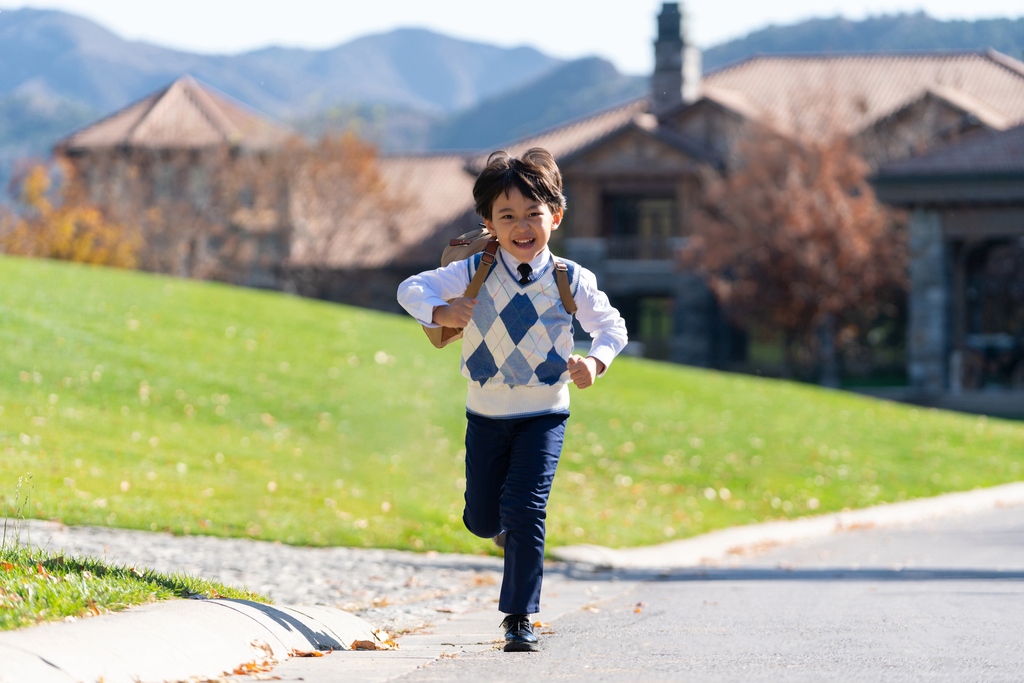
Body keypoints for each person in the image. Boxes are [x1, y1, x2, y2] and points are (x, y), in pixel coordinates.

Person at [397, 148, 627, 652]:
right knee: (482, 519)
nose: (522, 226)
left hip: (545, 414)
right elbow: (408, 289)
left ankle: (519, 618)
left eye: (533, 214)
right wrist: (443, 311)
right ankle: (500, 528)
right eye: (507, 216)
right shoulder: (473, 271)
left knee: (526, 511)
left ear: (555, 217)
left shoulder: (570, 278)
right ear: (489, 223)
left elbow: (611, 326)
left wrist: (596, 361)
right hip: (486, 414)